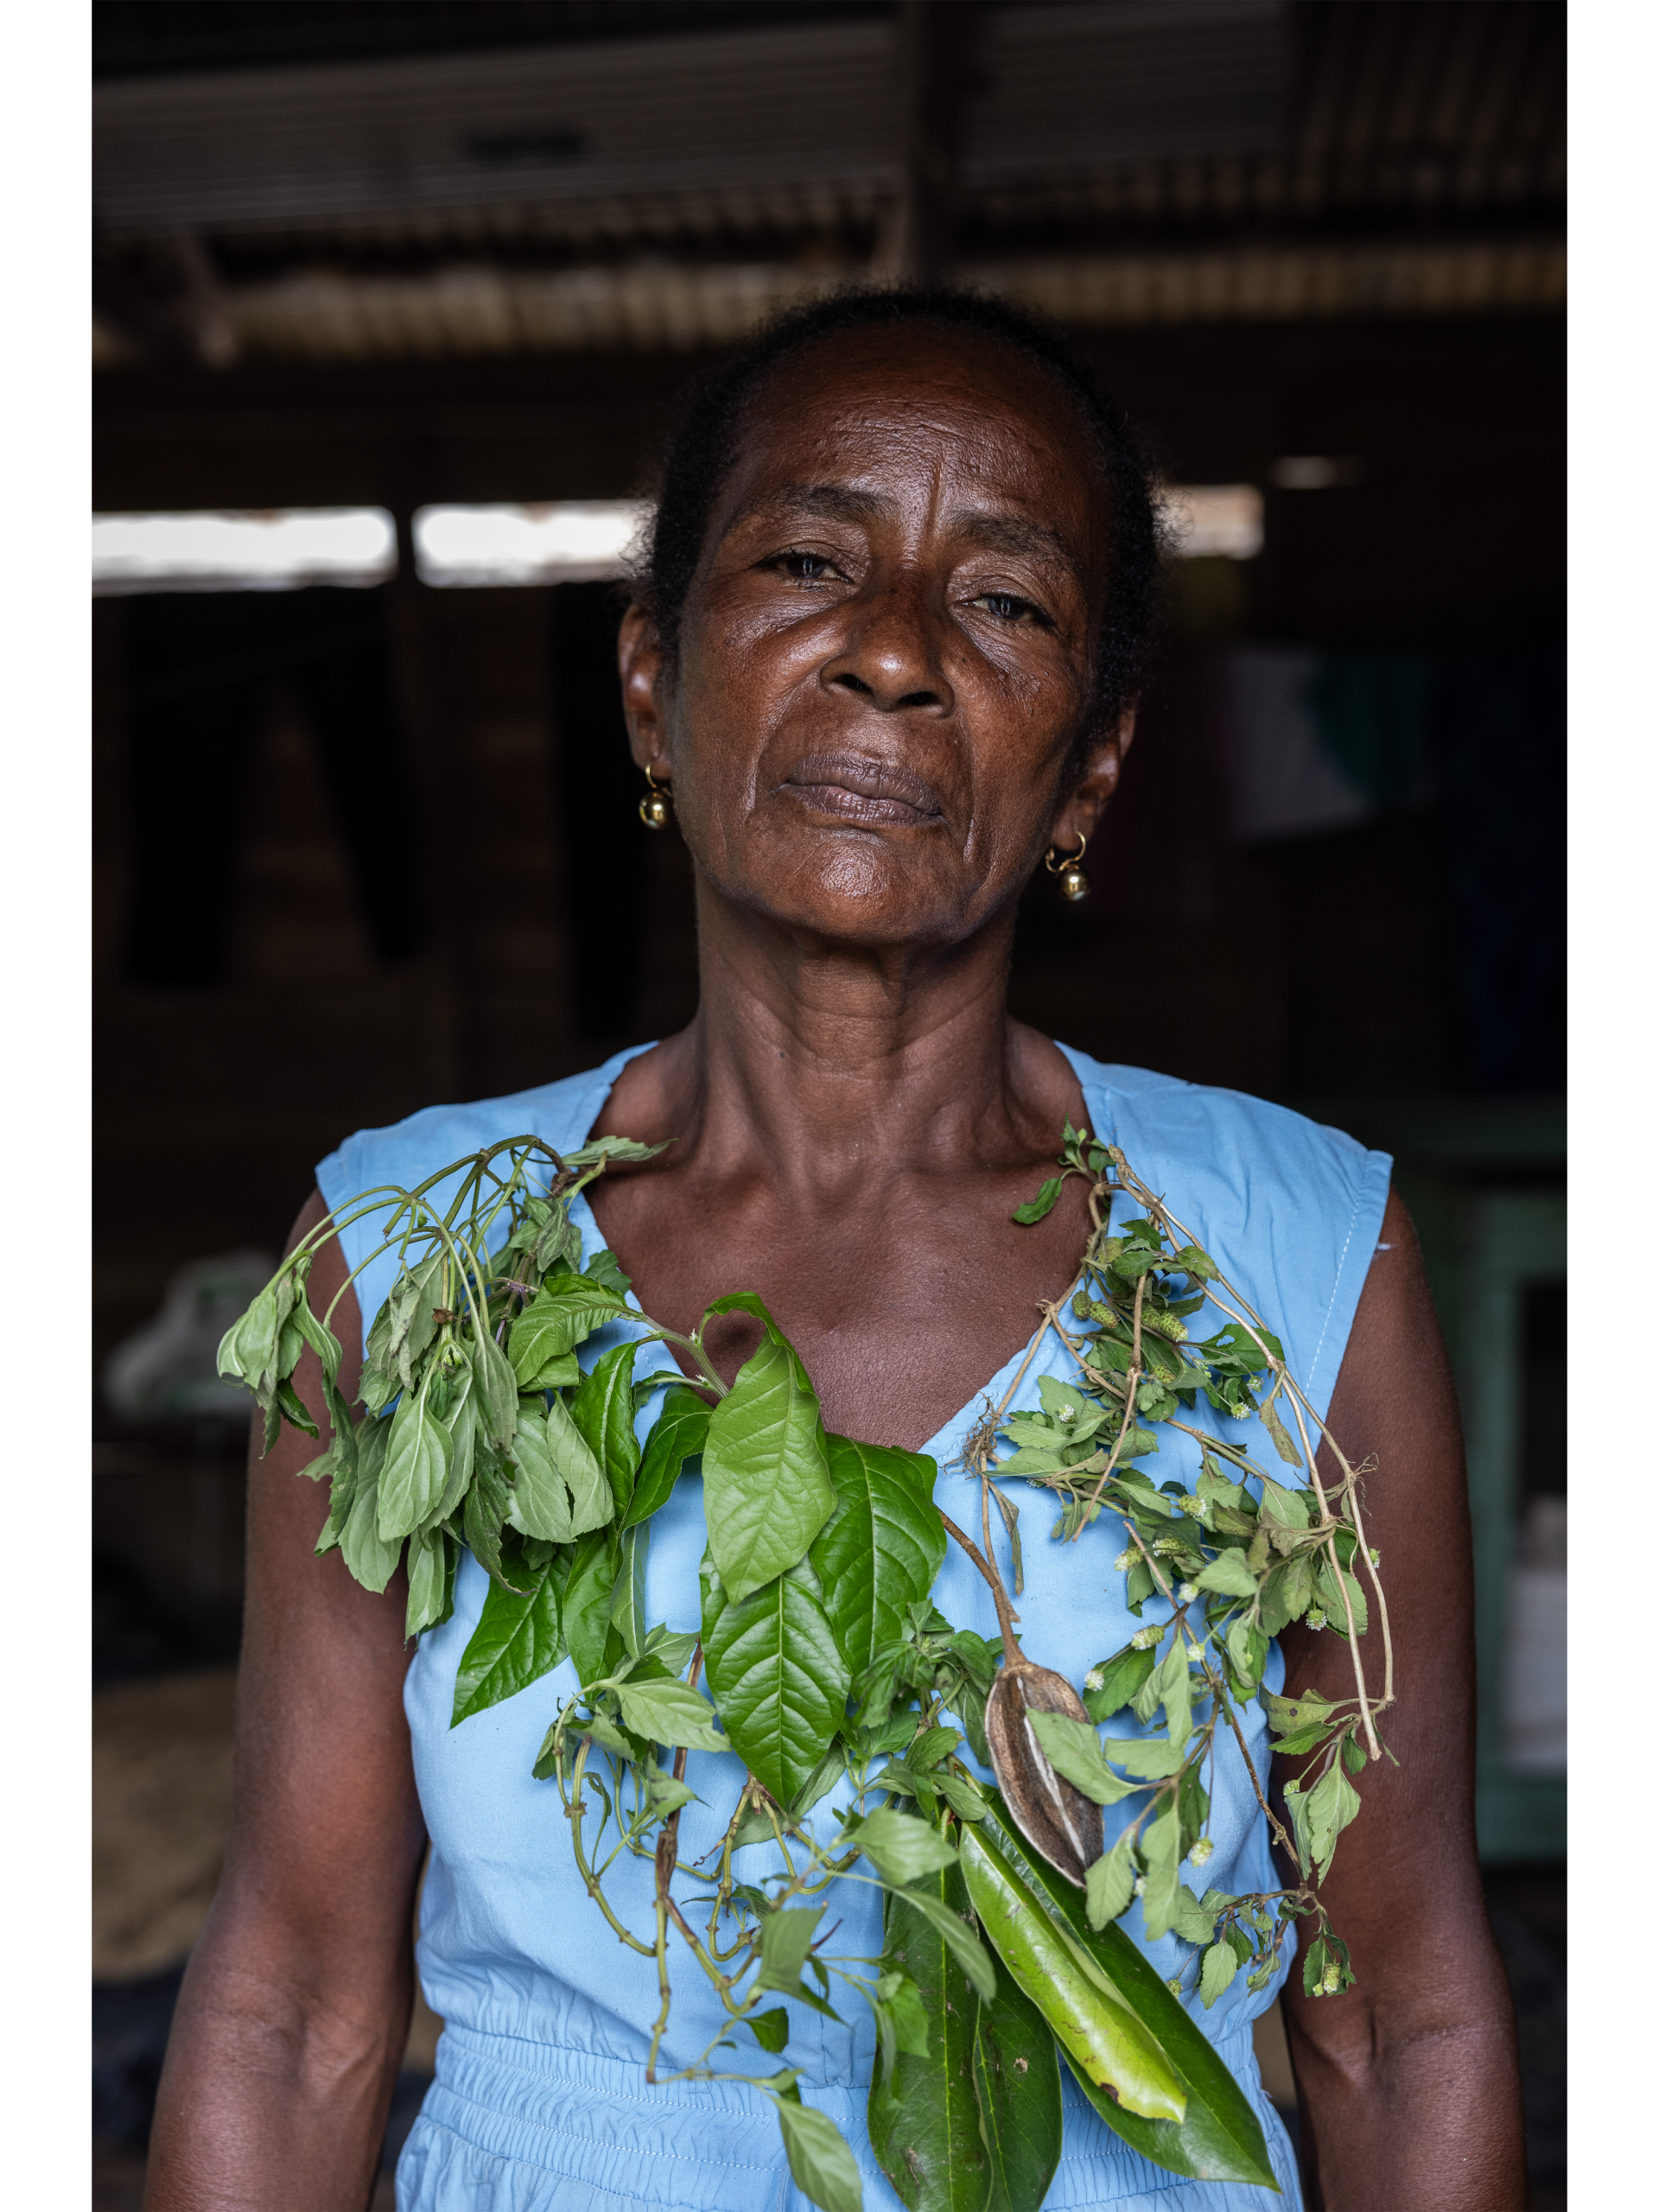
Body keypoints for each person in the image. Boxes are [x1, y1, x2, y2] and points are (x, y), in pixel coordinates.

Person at [145, 289, 1527, 2212]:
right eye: (808, 558)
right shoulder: (410, 1259)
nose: (890, 650)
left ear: (1099, 767)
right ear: (652, 679)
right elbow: (292, 1999)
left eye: (1007, 603)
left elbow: (1400, 2013)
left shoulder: (1293, 1258)